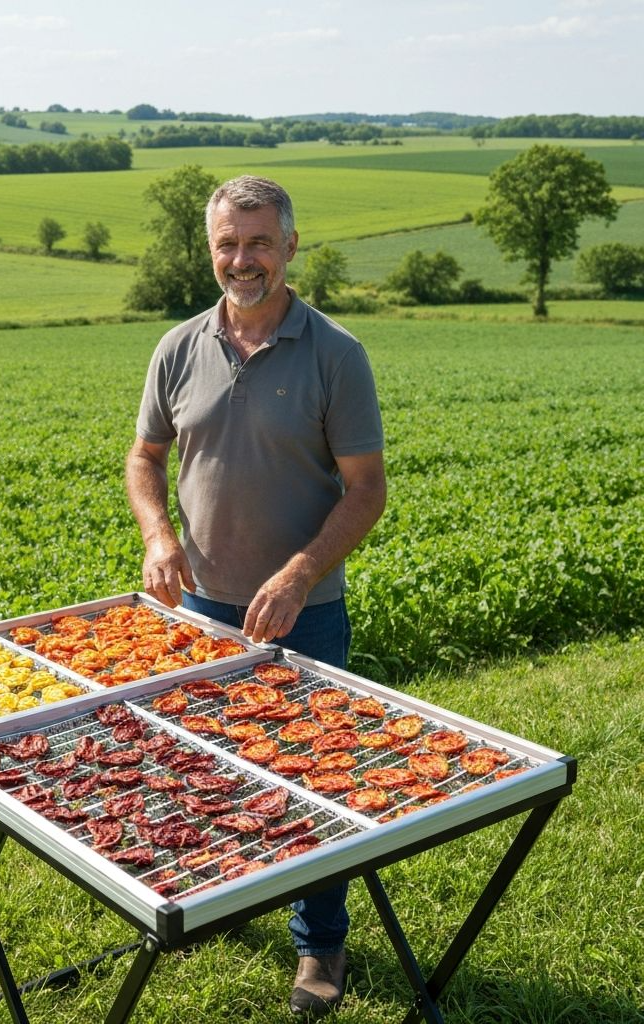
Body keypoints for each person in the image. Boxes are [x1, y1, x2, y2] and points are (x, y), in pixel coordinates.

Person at [125, 175, 386, 1018]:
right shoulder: (178, 347)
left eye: (259, 243)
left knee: (313, 777)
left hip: (305, 614)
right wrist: (158, 537)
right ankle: (223, 895)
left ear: (290, 247)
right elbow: (144, 458)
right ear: (211, 250)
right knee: (206, 766)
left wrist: (300, 572)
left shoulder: (336, 354)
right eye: (228, 245)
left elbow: (367, 490)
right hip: (201, 609)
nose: (243, 260)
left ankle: (321, 943)